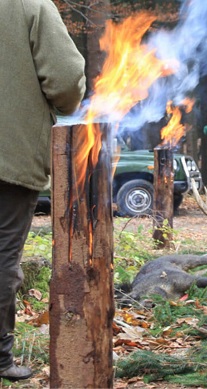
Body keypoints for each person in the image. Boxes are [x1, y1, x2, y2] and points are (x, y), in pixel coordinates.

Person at [1, 0, 86, 381]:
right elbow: (66, 77)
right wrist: (64, 103)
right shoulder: (27, 4)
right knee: (2, 258)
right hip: (9, 155)